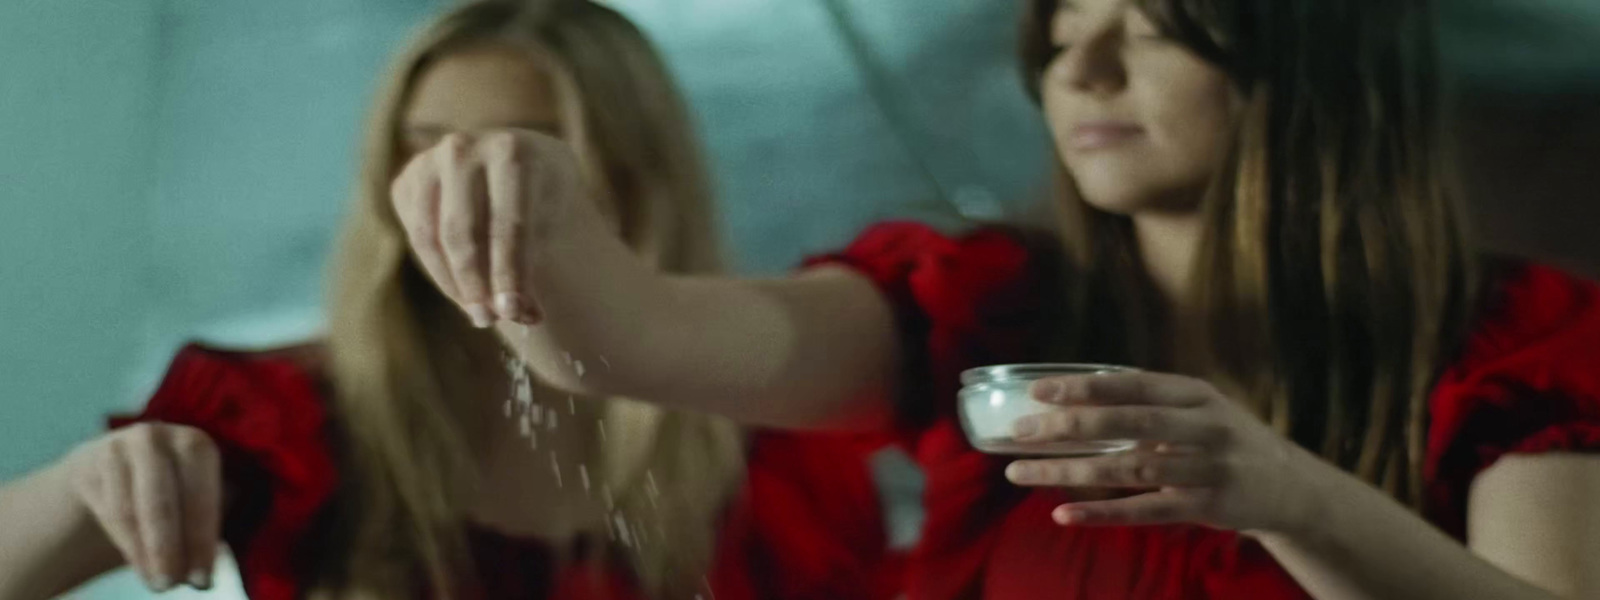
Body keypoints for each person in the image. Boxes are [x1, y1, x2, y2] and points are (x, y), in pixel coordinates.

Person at [385, 0, 1600, 598]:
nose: (1083, 68)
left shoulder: (1520, 344)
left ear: (1310, 61)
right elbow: (629, 341)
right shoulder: (991, 310)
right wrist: (521, 196)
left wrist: (1291, 497)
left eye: (1150, 26)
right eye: (1064, 30)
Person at [0, 2, 897, 599]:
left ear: (629, 175)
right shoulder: (286, 420)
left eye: (519, 155)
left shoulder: (779, 454)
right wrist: (77, 489)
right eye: (424, 148)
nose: (451, 193)